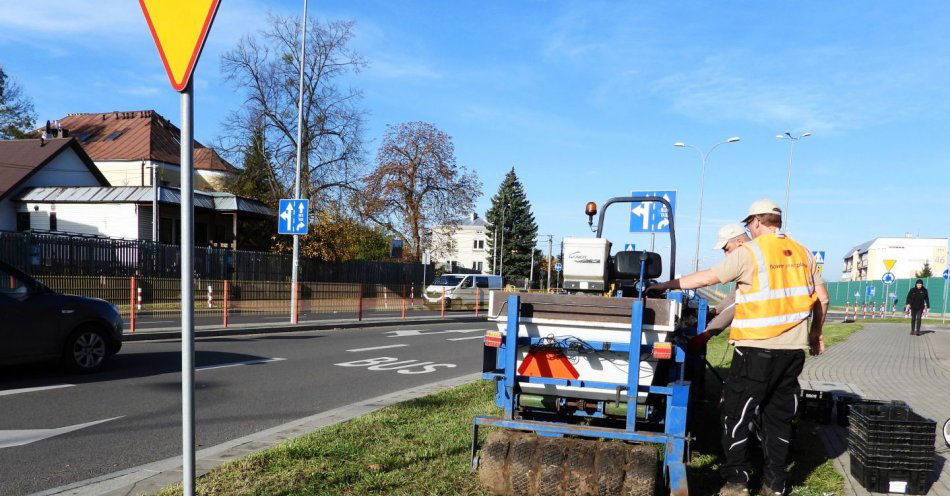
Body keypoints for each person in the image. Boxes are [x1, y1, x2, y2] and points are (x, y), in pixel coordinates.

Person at [649, 199, 829, 496]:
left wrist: (667, 286)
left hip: (755, 349)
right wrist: (815, 335)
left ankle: (737, 482)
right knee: (778, 417)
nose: (749, 228)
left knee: (736, 414)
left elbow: (708, 277)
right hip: (792, 352)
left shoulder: (751, 252)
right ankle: (775, 484)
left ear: (757, 222)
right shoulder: (803, 252)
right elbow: (821, 299)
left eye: (749, 223)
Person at [689, 223, 750, 352]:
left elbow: (736, 304)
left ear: (739, 242)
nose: (726, 255)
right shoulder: (754, 256)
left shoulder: (751, 259)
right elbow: (734, 296)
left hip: (762, 340)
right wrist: (713, 313)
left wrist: (706, 335)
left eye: (727, 248)